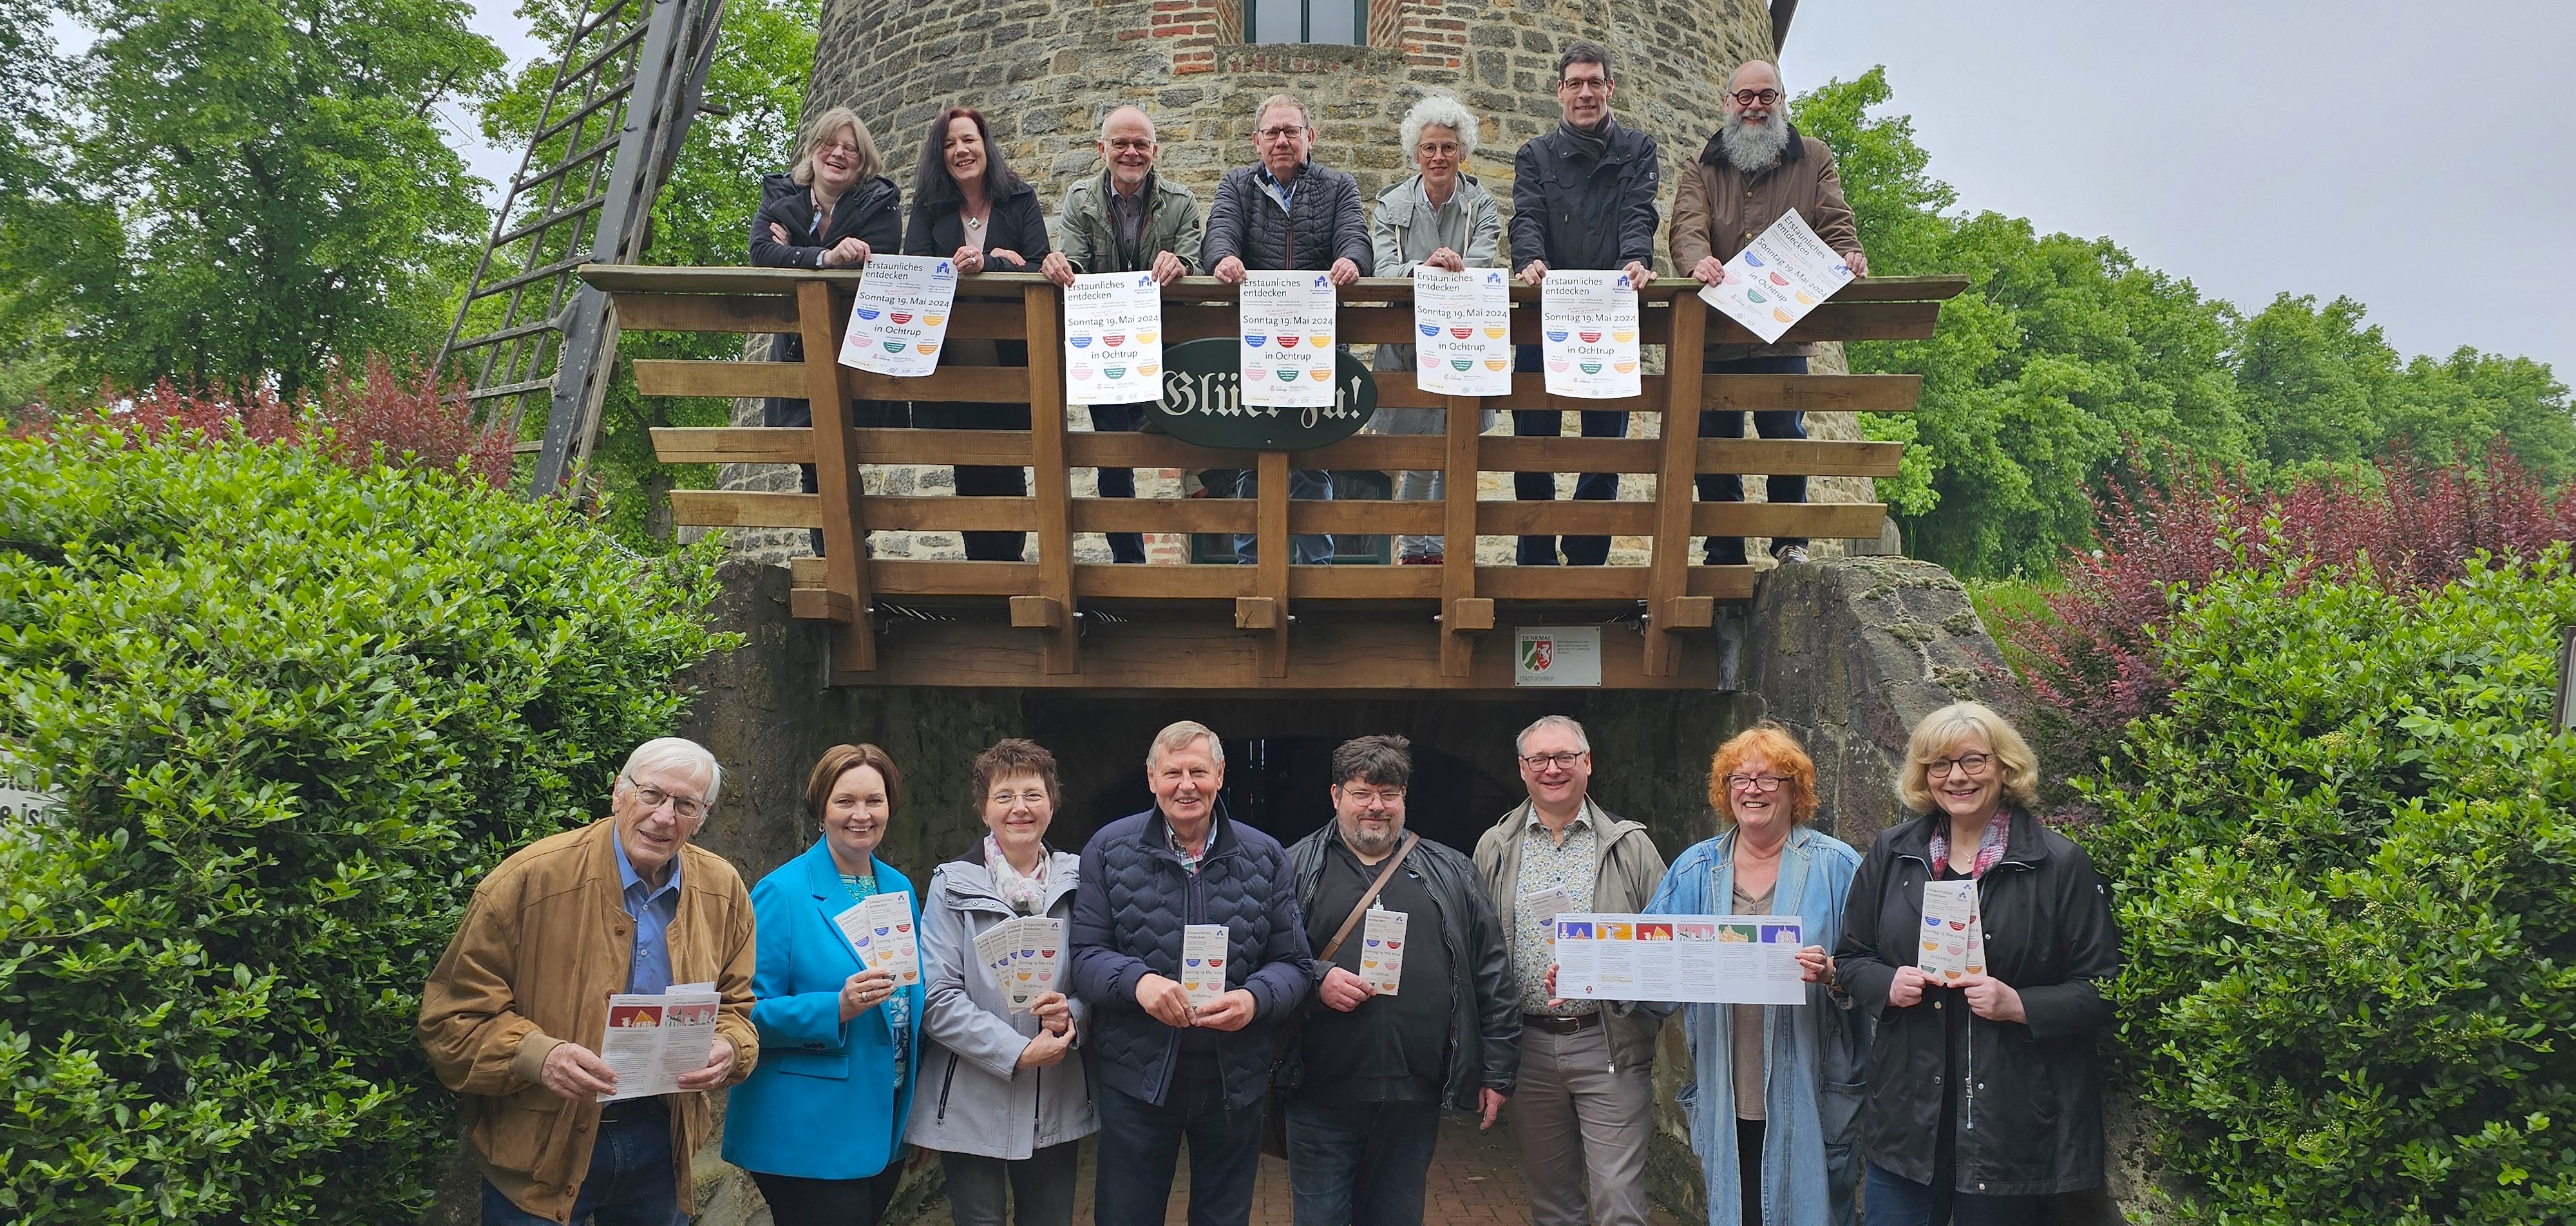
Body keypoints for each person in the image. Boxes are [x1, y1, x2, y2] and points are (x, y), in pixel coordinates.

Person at [418, 738, 757, 1226]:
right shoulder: (530, 880)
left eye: (685, 805)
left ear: (702, 817)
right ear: (619, 792)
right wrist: (539, 1056)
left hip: (663, 1140)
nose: (664, 817)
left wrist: (730, 1046)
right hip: (542, 1142)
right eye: (652, 795)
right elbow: (452, 1019)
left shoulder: (722, 890)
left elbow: (737, 1008)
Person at [1835, 703, 2120, 1225]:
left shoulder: (2058, 863)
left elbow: (2103, 989)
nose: (1956, 777)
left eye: (1973, 760)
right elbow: (1851, 956)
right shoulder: (1893, 853)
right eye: (1939, 764)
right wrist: (1886, 983)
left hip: (2010, 1125)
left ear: (2005, 767)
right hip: (1908, 1119)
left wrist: (2020, 1005)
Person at [1070, 720, 1316, 1226]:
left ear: (1220, 775)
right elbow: (1086, 955)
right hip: (1138, 1075)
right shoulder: (1108, 850)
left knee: (1223, 1216)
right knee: (1126, 1215)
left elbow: (1294, 964)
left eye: (1199, 772)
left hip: (1233, 1077)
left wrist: (1254, 999)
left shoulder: (1266, 855)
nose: (1186, 785)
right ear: (1151, 778)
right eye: (1173, 773)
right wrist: (1139, 983)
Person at [1280, 735, 1520, 1226]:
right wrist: (1316, 978)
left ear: (1404, 798)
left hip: (1414, 1096)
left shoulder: (1452, 870)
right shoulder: (1293, 867)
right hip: (1319, 1092)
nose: (1376, 806)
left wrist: (1497, 1071)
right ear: (1336, 795)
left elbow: (1492, 971)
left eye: (1388, 794)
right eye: (1362, 793)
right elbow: (1263, 956)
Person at [1642, 724, 1868, 1226]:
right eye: (1739, 779)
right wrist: (1587, 975)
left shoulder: (1837, 867)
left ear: (1795, 790)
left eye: (1769, 778)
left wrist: (1833, 973)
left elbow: (1876, 968)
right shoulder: (1695, 869)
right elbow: (1650, 968)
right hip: (1727, 1089)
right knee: (1740, 1211)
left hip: (1809, 1089)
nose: (1752, 789)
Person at [1671, 60, 1870, 569]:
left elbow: (1834, 219)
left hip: (1785, 328)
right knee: (1716, 442)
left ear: (1781, 100)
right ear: (1728, 103)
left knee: (1786, 435)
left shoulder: (1814, 157)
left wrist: (1848, 252)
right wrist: (1697, 261)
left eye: (1766, 96)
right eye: (1745, 97)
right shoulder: (1701, 165)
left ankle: (1790, 543)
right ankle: (1725, 550)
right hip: (1719, 330)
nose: (1755, 106)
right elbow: (1687, 226)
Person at [1472, 715, 1668, 1226]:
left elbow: (1668, 946)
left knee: (1619, 1202)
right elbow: (1477, 949)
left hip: (1609, 1041)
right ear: (1522, 768)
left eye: (1565, 757)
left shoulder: (1630, 846)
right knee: (1552, 1203)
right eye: (1539, 759)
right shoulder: (1495, 846)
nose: (1552, 769)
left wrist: (1609, 972)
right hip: (1528, 1047)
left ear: (1588, 763)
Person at [723, 744, 925, 1226]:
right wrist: (836, 1007)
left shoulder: (898, 887)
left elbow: (909, 1005)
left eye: (874, 801)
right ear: (821, 809)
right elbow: (745, 1011)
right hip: (809, 1125)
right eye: (845, 801)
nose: (862, 814)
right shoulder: (782, 892)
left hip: (885, 1117)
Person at [907, 739, 1095, 1226]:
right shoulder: (951, 885)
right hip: (970, 1098)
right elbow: (937, 996)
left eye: (1033, 794)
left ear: (1052, 803)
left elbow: (1099, 975)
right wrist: (1017, 1052)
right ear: (983, 808)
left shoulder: (1083, 883)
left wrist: (1072, 1015)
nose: (1020, 808)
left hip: (1055, 1098)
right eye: (1005, 796)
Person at [1201, 92, 1372, 566]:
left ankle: (1318, 571)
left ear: (1309, 137)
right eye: (1272, 132)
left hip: (1317, 346)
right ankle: (1252, 568)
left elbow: (1356, 237)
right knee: (1252, 461)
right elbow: (1218, 233)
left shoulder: (1339, 185)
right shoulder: (1236, 185)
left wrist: (1351, 260)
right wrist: (1224, 258)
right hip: (1256, 346)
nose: (1282, 140)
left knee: (1313, 460)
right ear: (1256, 141)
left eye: (1291, 131)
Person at [1508, 41, 1660, 568]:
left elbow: (1639, 213)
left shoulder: (1638, 149)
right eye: (1575, 83)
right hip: (1543, 318)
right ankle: (1534, 559)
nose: (1586, 93)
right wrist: (1529, 258)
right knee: (1532, 444)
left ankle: (1588, 558)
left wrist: (1636, 259)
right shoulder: (1534, 155)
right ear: (1560, 91)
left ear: (1610, 88)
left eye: (1595, 82)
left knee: (1604, 449)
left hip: (1610, 315)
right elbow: (1526, 216)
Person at [1042, 104, 1204, 565]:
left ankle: (1211, 560)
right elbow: (1075, 262)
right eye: (1120, 143)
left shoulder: (1182, 202)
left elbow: (1196, 259)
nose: (1131, 152)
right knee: (1112, 460)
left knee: (1195, 443)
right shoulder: (1079, 200)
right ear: (1102, 149)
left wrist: (1181, 264)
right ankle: (1128, 563)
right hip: (1104, 346)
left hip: (1166, 345)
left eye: (1140, 144)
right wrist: (1062, 267)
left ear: (1155, 150)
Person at [748, 106, 906, 552]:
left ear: (863, 161)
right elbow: (761, 252)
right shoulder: (781, 194)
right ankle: (840, 551)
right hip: (798, 345)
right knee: (812, 453)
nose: (838, 154)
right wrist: (827, 256)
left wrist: (796, 250)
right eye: (829, 144)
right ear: (813, 149)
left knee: (840, 447)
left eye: (850, 149)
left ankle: (845, 549)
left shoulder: (880, 203)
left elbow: (880, 256)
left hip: (857, 343)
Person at [905, 105, 1054, 562]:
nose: (961, 150)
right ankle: (981, 570)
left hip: (1010, 360)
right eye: (949, 144)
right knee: (967, 469)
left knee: (1010, 467)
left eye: (968, 139)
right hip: (952, 361)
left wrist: (987, 263)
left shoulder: (1020, 198)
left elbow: (1040, 265)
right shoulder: (928, 207)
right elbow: (916, 270)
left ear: (985, 145)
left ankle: (1011, 569)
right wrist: (991, 262)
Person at [1368, 93, 1502, 567]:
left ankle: (1444, 554)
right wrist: (1425, 268)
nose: (1438, 156)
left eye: (1448, 147)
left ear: (1462, 151)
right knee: (1418, 453)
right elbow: (1384, 269)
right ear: (1416, 153)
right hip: (1406, 345)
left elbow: (1482, 262)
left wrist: (1449, 270)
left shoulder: (1482, 206)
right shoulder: (1390, 205)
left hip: (1465, 338)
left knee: (1455, 449)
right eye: (1429, 148)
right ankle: (1412, 551)